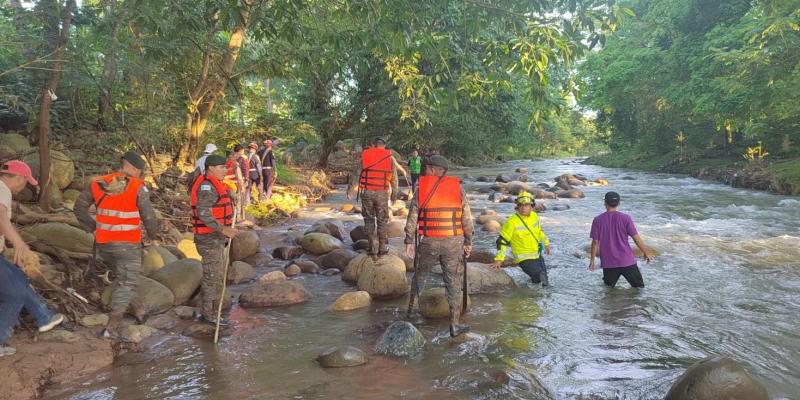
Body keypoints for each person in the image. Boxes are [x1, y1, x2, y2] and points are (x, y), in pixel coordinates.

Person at [74, 152, 159, 338]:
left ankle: (140, 312)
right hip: (128, 245)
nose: (140, 175)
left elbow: (78, 208)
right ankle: (111, 327)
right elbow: (149, 217)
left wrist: (93, 228)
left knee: (124, 278)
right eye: (139, 172)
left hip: (104, 244)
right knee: (126, 282)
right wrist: (153, 236)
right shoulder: (137, 187)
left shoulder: (98, 183)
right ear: (133, 168)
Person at [404, 155, 474, 337]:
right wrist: (468, 241)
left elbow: (412, 218)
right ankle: (454, 324)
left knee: (420, 276)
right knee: (453, 282)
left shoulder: (421, 189)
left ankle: (411, 314)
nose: (424, 170)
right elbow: (466, 219)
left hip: (429, 242)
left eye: (426, 168)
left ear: (434, 170)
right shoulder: (458, 190)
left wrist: (409, 241)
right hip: (453, 243)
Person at [0, 161, 64, 356]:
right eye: (25, 183)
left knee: (19, 277)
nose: (24, 187)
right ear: (19, 178)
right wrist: (18, 243)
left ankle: (44, 316)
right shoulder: (2, 189)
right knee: (15, 294)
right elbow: (1, 217)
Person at [190, 154, 240, 325]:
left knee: (215, 274)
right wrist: (224, 229)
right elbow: (203, 213)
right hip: (208, 238)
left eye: (225, 167)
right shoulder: (206, 187)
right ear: (211, 168)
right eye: (222, 167)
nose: (225, 170)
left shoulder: (216, 184)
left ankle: (208, 310)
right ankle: (208, 315)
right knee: (212, 276)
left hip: (216, 238)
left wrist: (231, 196)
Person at [347, 136, 399, 257]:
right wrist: (394, 194)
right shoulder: (390, 158)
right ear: (384, 146)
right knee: (382, 219)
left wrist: (350, 189)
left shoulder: (366, 156)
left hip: (367, 192)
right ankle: (382, 247)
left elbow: (356, 174)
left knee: (368, 219)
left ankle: (372, 246)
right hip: (382, 192)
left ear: (374, 145)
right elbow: (394, 178)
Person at [588, 191, 651, 288]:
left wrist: (592, 261)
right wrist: (645, 252)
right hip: (627, 261)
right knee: (639, 288)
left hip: (609, 263)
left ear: (605, 203)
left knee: (609, 291)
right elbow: (636, 239)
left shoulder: (597, 220)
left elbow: (595, 242)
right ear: (618, 203)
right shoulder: (626, 218)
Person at [491, 191, 551, 286]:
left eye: (526, 205)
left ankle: (531, 294)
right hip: (524, 259)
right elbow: (501, 241)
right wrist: (499, 259)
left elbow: (539, 231)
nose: (523, 208)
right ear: (517, 206)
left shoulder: (535, 216)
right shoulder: (511, 222)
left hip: (537, 254)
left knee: (544, 281)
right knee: (540, 277)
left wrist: (546, 243)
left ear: (531, 206)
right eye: (521, 205)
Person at [224, 150, 246, 222]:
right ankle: (237, 218)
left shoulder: (222, 165)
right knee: (237, 202)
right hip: (234, 187)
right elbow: (239, 177)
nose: (235, 157)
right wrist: (242, 187)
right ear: (231, 156)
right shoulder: (235, 165)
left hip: (224, 187)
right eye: (234, 156)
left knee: (228, 203)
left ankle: (229, 218)